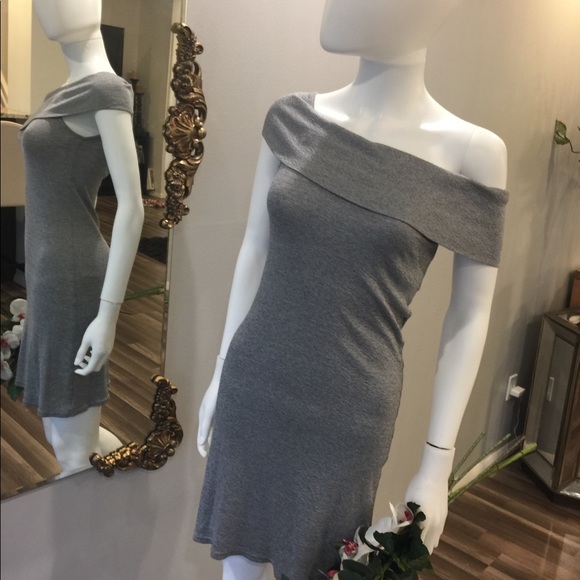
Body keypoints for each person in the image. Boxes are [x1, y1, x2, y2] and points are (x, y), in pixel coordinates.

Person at [195, 1, 508, 578]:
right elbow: (255, 248)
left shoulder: (472, 154)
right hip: (255, 380)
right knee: (236, 566)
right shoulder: (293, 119)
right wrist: (219, 372)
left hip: (348, 413)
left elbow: (470, 315)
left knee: (316, 567)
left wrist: (436, 466)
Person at [16, 0, 144, 477]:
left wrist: (108, 315)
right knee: (62, 431)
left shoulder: (106, 90)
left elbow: (132, 206)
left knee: (72, 442)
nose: (46, 8)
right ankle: (128, 488)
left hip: (72, 277)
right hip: (48, 276)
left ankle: (110, 517)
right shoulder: (64, 92)